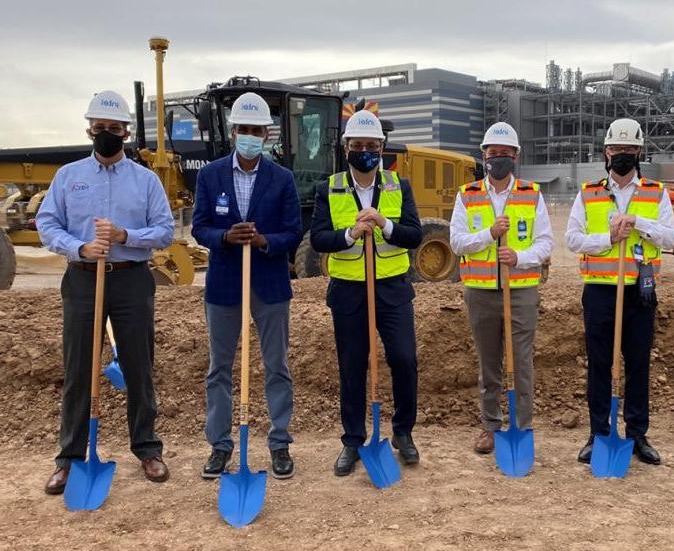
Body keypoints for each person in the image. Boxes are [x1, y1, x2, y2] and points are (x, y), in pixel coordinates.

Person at [37, 90, 174, 494]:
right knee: (79, 367)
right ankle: (69, 457)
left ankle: (147, 448)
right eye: (100, 128)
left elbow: (164, 231)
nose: (107, 134)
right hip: (82, 278)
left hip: (131, 278)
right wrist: (79, 247)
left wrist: (124, 235)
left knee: (138, 366)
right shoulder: (69, 176)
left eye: (114, 129)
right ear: (89, 130)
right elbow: (48, 225)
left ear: (127, 132)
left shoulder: (145, 180)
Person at [192, 92, 302, 480]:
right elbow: (199, 226)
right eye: (245, 130)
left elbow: (293, 232)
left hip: (269, 285)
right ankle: (220, 446)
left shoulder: (282, 179)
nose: (251, 136)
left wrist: (263, 241)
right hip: (224, 285)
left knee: (277, 366)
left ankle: (279, 443)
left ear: (267, 134)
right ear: (234, 131)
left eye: (258, 130)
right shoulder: (210, 175)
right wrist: (225, 237)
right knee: (219, 369)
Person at [310, 110, 422, 476]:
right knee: (352, 367)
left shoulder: (397, 186)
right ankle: (353, 440)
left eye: (371, 146)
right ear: (346, 148)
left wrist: (385, 224)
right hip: (349, 292)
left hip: (392, 290)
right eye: (357, 145)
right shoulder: (329, 188)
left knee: (404, 360)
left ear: (382, 149)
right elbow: (318, 239)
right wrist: (351, 235)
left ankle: (403, 433)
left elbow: (414, 235)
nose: (365, 151)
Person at [566, 118, 674, 466]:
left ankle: (637, 434)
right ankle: (598, 433)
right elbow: (572, 239)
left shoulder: (656, 192)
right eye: (617, 150)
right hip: (600, 291)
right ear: (606, 153)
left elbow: (672, 238)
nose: (623, 156)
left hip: (639, 292)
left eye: (630, 150)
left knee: (638, 363)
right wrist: (608, 239)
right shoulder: (588, 193)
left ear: (639, 152)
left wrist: (638, 224)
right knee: (600, 364)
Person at [450, 122, 553, 455]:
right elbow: (456, 242)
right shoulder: (467, 195)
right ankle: (491, 426)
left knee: (521, 363)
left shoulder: (531, 193)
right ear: (484, 156)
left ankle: (521, 427)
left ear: (516, 156)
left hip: (521, 290)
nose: (498, 159)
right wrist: (490, 235)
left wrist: (519, 256)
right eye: (493, 154)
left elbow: (545, 243)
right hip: (480, 291)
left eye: (505, 154)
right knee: (489, 364)